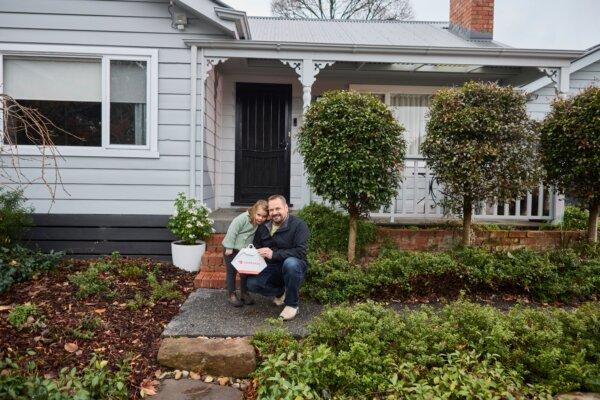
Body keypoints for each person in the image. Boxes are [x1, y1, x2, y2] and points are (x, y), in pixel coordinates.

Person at [247, 194, 310, 321]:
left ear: (286, 208)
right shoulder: (264, 226)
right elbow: (256, 245)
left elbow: (300, 251)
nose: (274, 212)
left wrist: (273, 254)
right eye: (271, 210)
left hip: (295, 265)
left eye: (278, 208)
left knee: (290, 263)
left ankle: (292, 304)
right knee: (251, 284)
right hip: (273, 266)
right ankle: (280, 292)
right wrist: (256, 253)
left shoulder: (299, 225)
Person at [222, 200, 269, 307]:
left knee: (244, 273)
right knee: (231, 272)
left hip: (243, 251)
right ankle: (232, 295)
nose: (260, 218)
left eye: (264, 216)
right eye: (258, 215)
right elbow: (232, 230)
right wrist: (229, 247)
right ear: (253, 211)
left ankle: (244, 293)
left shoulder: (259, 222)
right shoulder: (243, 218)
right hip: (231, 249)